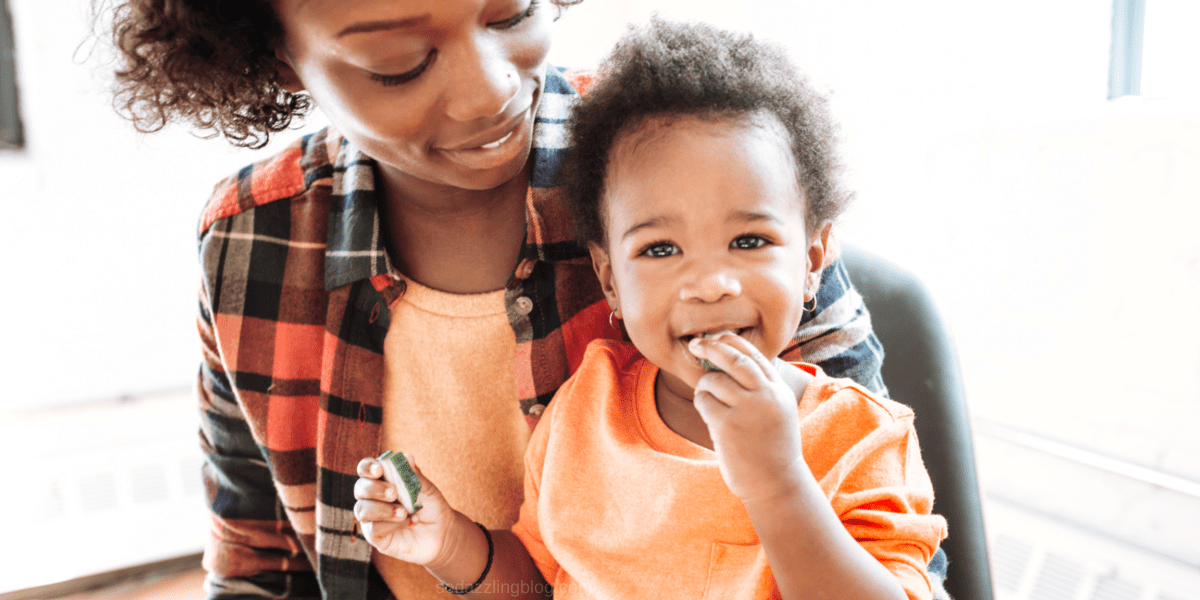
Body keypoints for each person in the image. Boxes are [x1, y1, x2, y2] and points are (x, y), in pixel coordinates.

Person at [102, 0, 945, 598]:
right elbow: (260, 564)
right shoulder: (251, 239)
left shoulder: (689, 158)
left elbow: (883, 542)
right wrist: (448, 542)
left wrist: (776, 483)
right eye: (398, 62)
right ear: (280, 55)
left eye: (510, 14)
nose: (488, 93)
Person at [352, 18, 947, 600]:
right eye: (661, 249)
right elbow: (534, 587)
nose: (709, 285)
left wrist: (778, 483)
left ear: (814, 256)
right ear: (610, 280)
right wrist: (450, 543)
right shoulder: (583, 413)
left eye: (749, 241)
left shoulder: (861, 438)